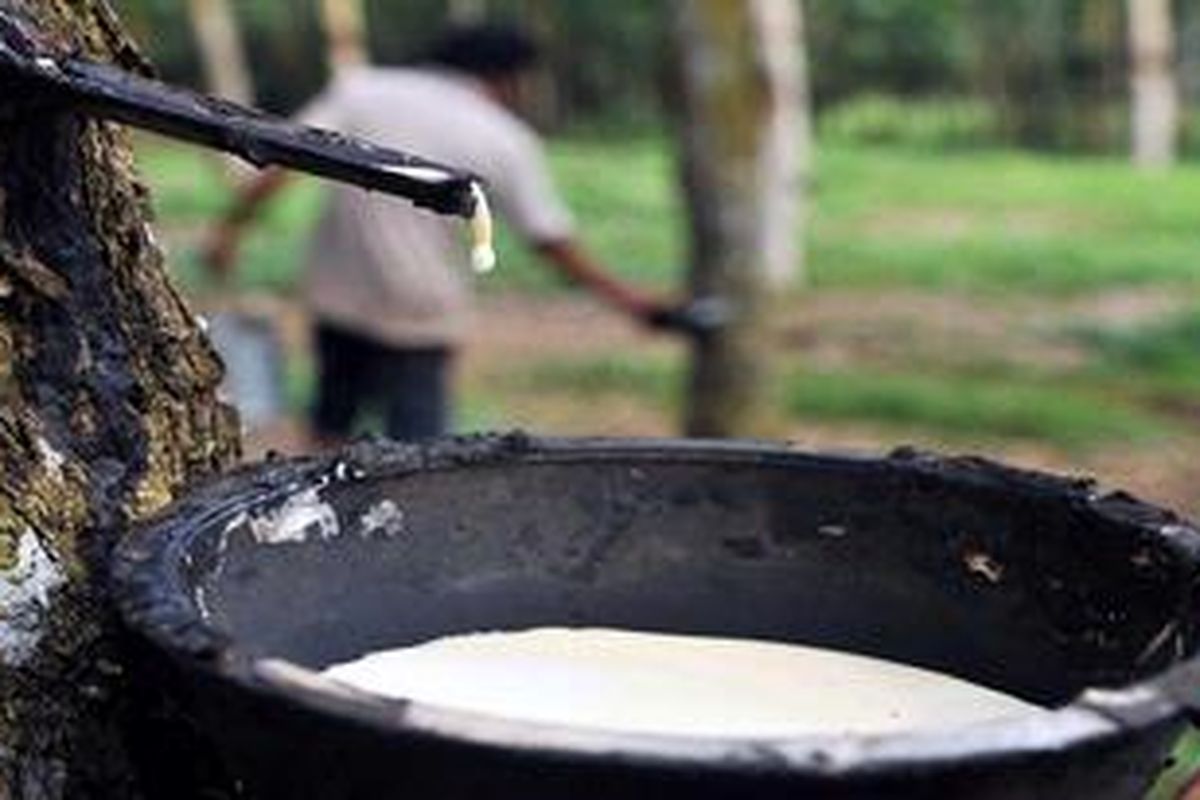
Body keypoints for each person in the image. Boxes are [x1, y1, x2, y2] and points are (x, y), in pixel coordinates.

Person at [203, 23, 672, 445]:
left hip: (339, 292)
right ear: (510, 77)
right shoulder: (503, 137)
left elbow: (279, 159)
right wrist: (631, 301)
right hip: (421, 311)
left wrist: (228, 232)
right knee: (418, 449)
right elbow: (550, 239)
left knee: (330, 430)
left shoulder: (363, 90)